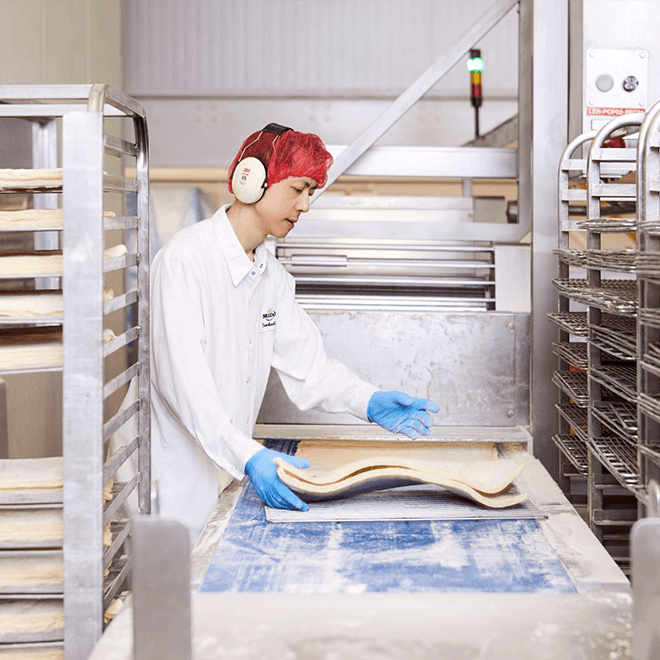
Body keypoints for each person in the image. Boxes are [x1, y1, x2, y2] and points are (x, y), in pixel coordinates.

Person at [149, 123, 440, 542]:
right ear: (251, 181)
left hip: (222, 480)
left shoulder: (272, 278)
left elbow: (311, 369)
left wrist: (369, 401)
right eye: (298, 188)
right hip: (171, 491)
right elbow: (187, 388)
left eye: (310, 193)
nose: (305, 205)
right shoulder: (184, 263)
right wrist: (249, 455)